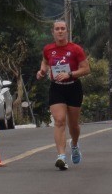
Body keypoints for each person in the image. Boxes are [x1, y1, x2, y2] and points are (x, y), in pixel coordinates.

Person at [37, 19, 91, 169]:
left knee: (73, 124)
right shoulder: (48, 49)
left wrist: (70, 74)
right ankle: (61, 156)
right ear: (52, 32)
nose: (60, 31)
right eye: (57, 29)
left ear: (67, 31)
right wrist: (42, 71)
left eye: (62, 29)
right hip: (57, 88)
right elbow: (45, 62)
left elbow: (86, 69)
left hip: (73, 87)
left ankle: (74, 144)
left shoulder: (75, 49)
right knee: (59, 120)